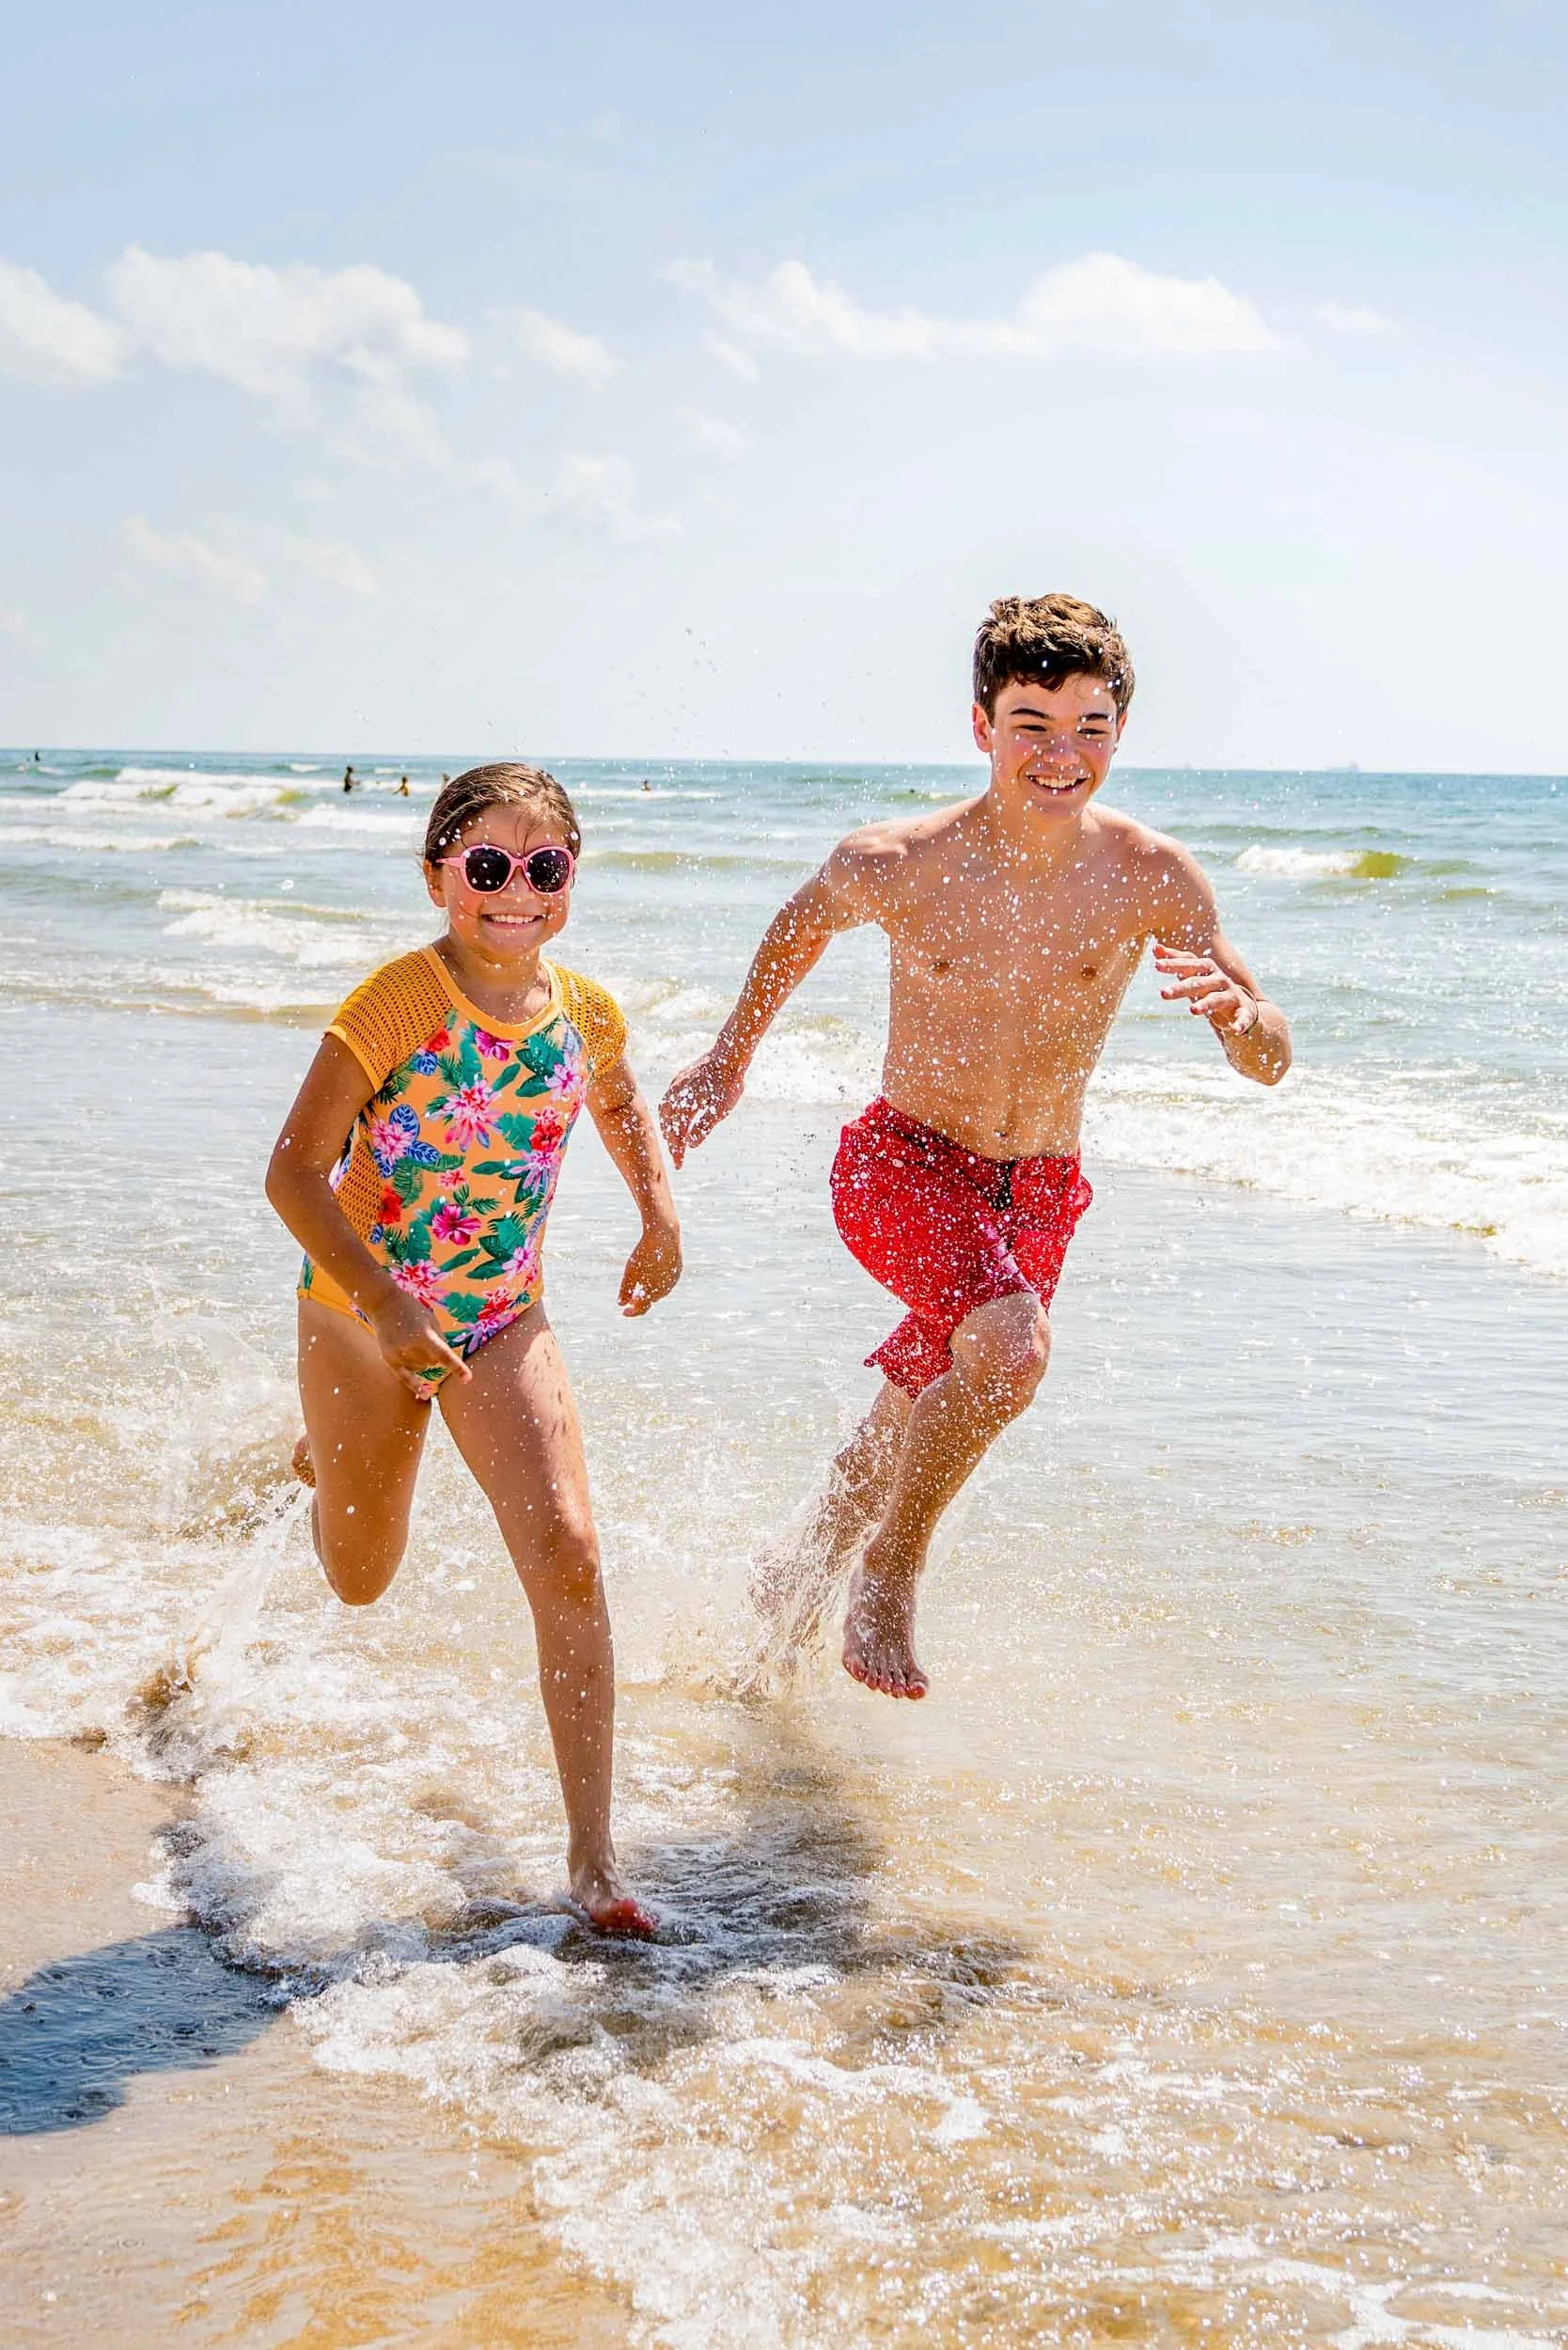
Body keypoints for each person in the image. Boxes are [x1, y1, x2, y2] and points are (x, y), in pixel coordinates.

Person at [660, 594, 1291, 1701]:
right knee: (1009, 1350)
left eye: (1090, 726)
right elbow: (799, 925)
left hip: (1039, 1190)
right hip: (902, 1162)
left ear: (1120, 733)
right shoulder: (900, 861)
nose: (1061, 753)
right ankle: (890, 1572)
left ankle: (789, 1584)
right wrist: (728, 1059)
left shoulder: (1153, 876)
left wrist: (1246, 1024)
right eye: (1031, 724)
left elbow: (1272, 1054)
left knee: (921, 1406)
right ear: (981, 727)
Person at [267, 761, 682, 1933]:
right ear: (438, 876)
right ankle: (321, 1457)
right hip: (362, 1315)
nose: (516, 893)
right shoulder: (398, 1001)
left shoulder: (587, 1010)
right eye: (488, 866)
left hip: (502, 1315)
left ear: (571, 877)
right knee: (360, 1578)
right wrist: (387, 1306)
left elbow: (618, 1101)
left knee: (569, 1553)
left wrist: (659, 1215)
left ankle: (595, 1862)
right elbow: (293, 1172)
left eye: (543, 867)